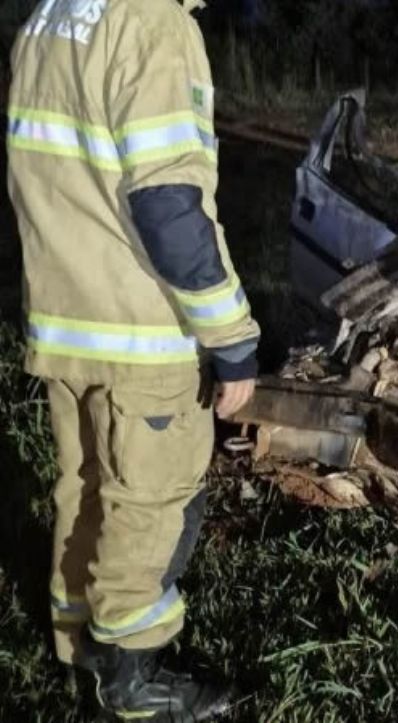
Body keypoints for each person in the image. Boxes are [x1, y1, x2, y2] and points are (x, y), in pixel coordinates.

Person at [6, 0, 260, 718]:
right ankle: (134, 671)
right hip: (138, 328)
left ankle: (77, 641)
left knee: (84, 484)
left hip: (64, 319)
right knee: (150, 498)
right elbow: (169, 204)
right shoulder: (152, 25)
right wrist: (231, 337)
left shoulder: (52, 15)